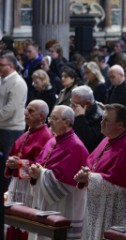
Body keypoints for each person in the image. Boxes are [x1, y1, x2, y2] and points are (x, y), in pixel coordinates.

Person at [74, 104, 126, 240]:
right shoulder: (108, 140)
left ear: (120, 125)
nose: (101, 123)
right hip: (101, 206)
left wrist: (88, 177)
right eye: (102, 119)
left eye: (106, 120)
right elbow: (92, 163)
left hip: (118, 211)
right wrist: (85, 173)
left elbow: (116, 182)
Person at [28, 105, 89, 239]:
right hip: (45, 199)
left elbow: (65, 182)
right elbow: (40, 163)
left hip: (63, 204)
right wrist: (34, 171)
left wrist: (41, 173)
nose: (50, 121)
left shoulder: (76, 147)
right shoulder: (52, 140)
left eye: (54, 118)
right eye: (50, 118)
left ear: (67, 122)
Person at [4, 100, 52, 240]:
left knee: (25, 225)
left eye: (31, 111)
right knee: (14, 223)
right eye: (26, 109)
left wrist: (19, 164)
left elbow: (42, 166)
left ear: (42, 117)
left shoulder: (46, 137)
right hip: (18, 185)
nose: (25, 113)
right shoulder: (27, 132)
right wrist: (11, 162)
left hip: (30, 189)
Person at [0, 53, 28, 191]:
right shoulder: (3, 79)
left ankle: (7, 195)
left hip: (12, 129)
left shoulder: (17, 82)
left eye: (1, 65)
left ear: (10, 66)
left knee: (8, 165)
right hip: (2, 126)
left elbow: (10, 109)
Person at [70, 85, 104, 152]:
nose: (72, 107)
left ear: (87, 104)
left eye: (75, 105)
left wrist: (80, 118)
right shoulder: (77, 109)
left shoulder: (101, 117)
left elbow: (88, 141)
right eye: (71, 103)